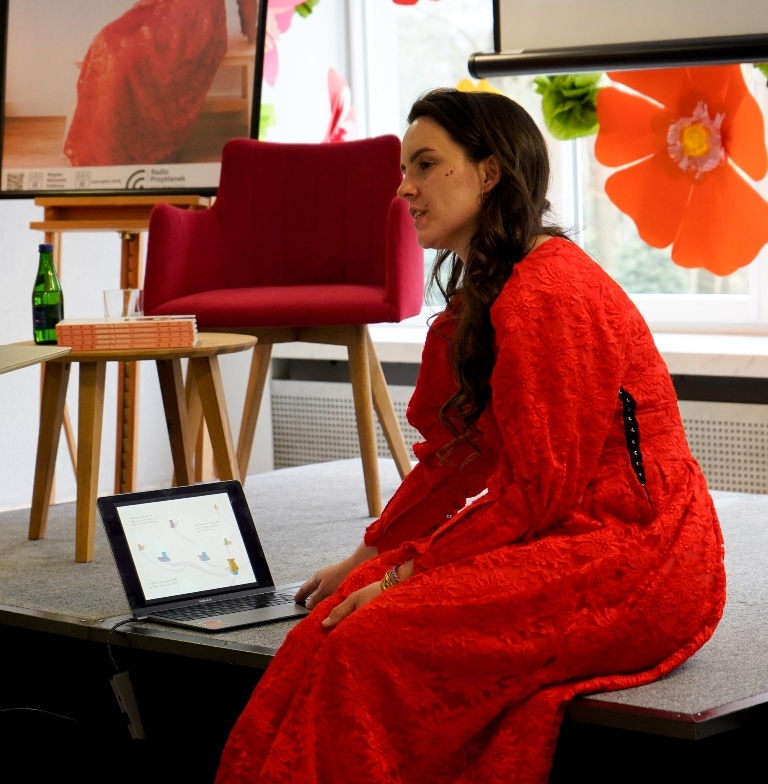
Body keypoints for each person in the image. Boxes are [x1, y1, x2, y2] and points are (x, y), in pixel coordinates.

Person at [215, 89, 725, 783]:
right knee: (334, 614)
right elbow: (459, 456)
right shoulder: (493, 287)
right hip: (567, 524)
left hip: (638, 552)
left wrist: (404, 575)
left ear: (489, 173)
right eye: (405, 170)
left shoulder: (549, 293)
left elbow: (538, 491)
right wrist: (371, 553)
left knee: (373, 640)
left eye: (426, 165)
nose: (405, 188)